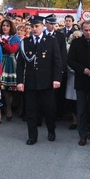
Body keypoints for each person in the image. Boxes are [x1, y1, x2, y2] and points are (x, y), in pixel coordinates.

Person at [16, 17, 62, 145]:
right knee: (30, 111)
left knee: (49, 109)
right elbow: (20, 64)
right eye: (32, 27)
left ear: (43, 26)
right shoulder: (26, 42)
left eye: (37, 26)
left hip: (47, 82)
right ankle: (32, 136)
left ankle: (51, 131)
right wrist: (20, 81)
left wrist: (57, 79)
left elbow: (57, 62)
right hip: (30, 82)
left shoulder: (51, 41)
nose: (34, 29)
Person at [0, 19, 20, 123]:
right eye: (3, 25)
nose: (5, 27)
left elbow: (12, 50)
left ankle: (9, 109)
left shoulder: (15, 38)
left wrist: (2, 42)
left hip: (9, 63)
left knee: (7, 90)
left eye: (7, 26)